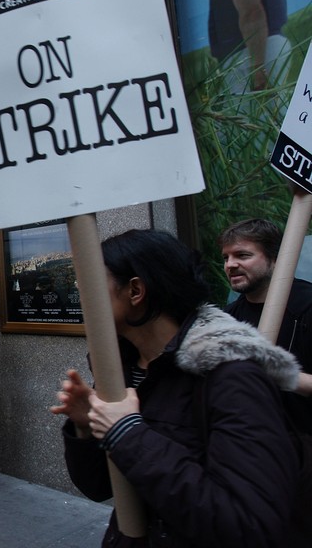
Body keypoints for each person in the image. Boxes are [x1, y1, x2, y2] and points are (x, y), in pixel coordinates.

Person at [52, 229, 301, 546]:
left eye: (88, 279)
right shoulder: (120, 371)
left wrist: (127, 432)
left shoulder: (232, 377)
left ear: (136, 290)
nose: (77, 289)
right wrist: (86, 428)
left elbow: (248, 524)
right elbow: (99, 487)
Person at [218, 218, 312, 433]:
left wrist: (282, 375)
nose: (230, 265)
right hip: (255, 447)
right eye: (226, 257)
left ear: (276, 259)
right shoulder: (227, 321)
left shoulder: (307, 305)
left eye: (242, 255)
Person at [188, 0, 290, 93]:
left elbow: (251, 13)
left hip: (250, 55)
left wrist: (258, 69)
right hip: (267, 48)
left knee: (258, 112)